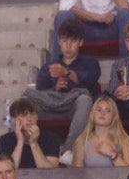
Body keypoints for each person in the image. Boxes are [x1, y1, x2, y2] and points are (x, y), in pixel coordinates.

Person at [28, 19, 101, 148]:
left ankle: (69, 150)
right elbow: (40, 95)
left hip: (75, 108)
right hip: (52, 107)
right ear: (59, 41)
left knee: (85, 100)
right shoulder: (48, 67)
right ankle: (25, 147)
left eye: (73, 41)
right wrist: (55, 89)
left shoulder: (91, 63)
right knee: (25, 103)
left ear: (80, 42)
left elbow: (91, 83)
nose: (68, 46)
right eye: (65, 40)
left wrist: (66, 72)